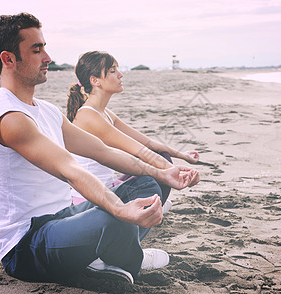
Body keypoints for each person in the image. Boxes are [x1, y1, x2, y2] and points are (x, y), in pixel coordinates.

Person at [0, 12, 199, 284]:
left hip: (64, 218)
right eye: (37, 50)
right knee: (115, 219)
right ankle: (127, 257)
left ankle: (108, 255)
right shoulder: (9, 118)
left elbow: (103, 151)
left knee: (146, 184)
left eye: (45, 47)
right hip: (26, 245)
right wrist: (120, 210)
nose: (48, 57)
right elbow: (69, 170)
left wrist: (162, 172)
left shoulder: (47, 111)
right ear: (8, 59)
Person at [66, 51, 200, 207]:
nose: (120, 75)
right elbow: (138, 150)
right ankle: (151, 212)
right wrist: (175, 171)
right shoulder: (89, 116)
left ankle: (154, 209)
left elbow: (147, 143)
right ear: (95, 80)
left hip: (111, 188)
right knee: (149, 179)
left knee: (160, 156)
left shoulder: (104, 113)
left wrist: (182, 156)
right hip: (92, 200)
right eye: (112, 71)